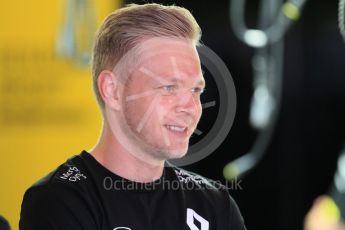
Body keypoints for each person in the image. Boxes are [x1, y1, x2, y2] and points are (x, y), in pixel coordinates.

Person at [20, 3, 246, 230]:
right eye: (169, 87)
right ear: (112, 90)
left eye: (196, 90)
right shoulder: (62, 201)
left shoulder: (214, 205)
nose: (190, 107)